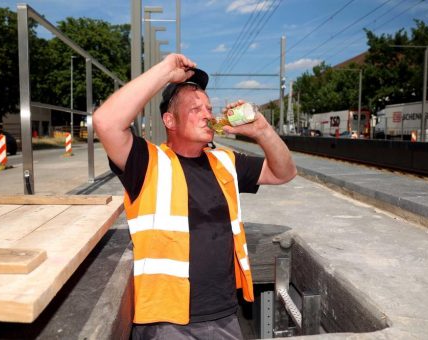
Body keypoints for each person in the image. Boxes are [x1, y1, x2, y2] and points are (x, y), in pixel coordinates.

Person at [93, 53, 297, 340]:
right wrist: (166, 71)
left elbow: (283, 172)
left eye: (209, 108)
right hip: (164, 322)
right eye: (194, 109)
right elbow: (106, 121)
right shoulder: (147, 161)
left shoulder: (224, 161)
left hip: (224, 314)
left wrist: (262, 131)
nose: (207, 114)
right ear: (169, 120)